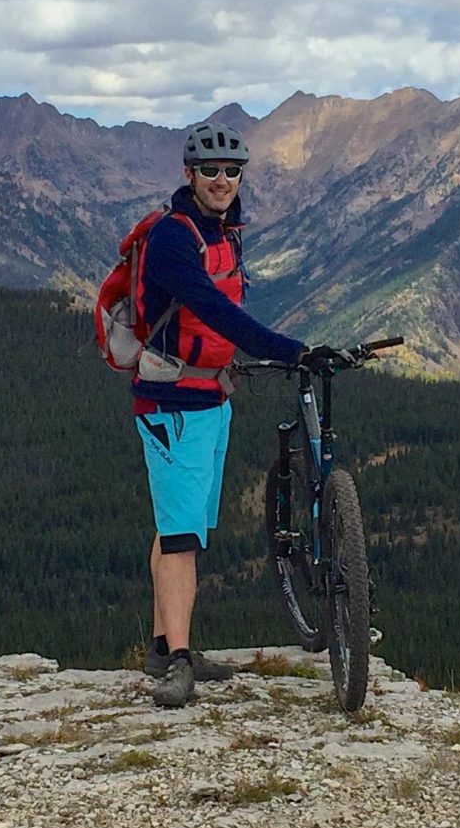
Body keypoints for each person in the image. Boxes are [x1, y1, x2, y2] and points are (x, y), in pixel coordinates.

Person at [132, 122, 321, 710]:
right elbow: (214, 311)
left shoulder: (225, 232)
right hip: (171, 403)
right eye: (210, 171)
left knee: (180, 526)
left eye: (231, 171)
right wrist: (292, 350)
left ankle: (166, 647)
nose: (221, 180)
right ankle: (179, 665)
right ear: (188, 174)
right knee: (183, 534)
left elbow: (227, 311)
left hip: (212, 397)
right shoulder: (172, 238)